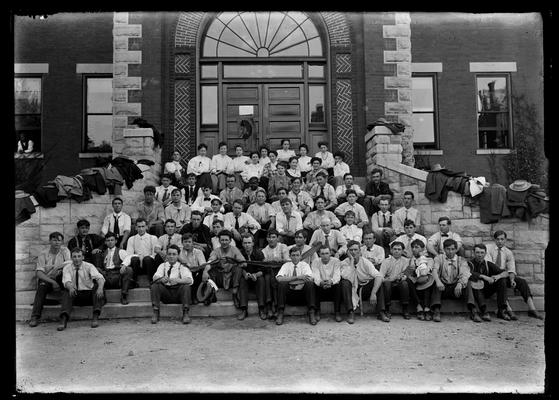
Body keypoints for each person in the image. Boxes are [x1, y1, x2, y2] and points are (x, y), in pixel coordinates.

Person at [485, 230, 542, 319]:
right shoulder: (488, 248)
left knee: (522, 282)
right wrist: (501, 275)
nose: (500, 241)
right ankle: (508, 309)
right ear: (494, 240)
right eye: (498, 239)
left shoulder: (508, 252)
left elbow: (511, 270)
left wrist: (511, 280)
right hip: (491, 277)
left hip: (502, 275)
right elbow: (490, 266)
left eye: (502, 239)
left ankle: (532, 309)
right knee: (502, 281)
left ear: (505, 240)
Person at [28, 232, 71, 327]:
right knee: (41, 287)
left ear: (62, 242)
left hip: (60, 278)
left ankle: (64, 317)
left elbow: (69, 264)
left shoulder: (65, 251)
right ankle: (35, 316)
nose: (57, 243)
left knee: (67, 282)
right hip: (48, 279)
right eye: (54, 240)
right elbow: (39, 273)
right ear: (50, 241)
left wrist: (57, 268)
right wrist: (52, 282)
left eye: (59, 240)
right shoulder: (43, 254)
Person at [57, 247, 105, 331]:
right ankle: (63, 320)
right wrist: (70, 287)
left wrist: (100, 288)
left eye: (79, 256)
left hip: (88, 295)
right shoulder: (67, 268)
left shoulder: (89, 266)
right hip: (75, 295)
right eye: (74, 257)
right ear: (71, 258)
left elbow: (99, 278)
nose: (77, 259)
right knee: (66, 291)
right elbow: (66, 281)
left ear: (83, 257)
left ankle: (95, 317)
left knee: (97, 287)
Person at [202, 230, 247, 319]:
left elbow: (244, 263)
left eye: (226, 240)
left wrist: (233, 261)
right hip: (221, 277)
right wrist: (205, 271)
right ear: (219, 241)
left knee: (238, 269)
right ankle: (212, 294)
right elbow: (210, 262)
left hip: (232, 278)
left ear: (230, 241)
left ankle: (234, 293)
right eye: (222, 240)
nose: (224, 242)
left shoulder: (234, 250)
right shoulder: (216, 251)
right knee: (211, 271)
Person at [340, 240, 383, 324]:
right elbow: (346, 277)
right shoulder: (344, 263)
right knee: (345, 283)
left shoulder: (365, 262)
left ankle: (381, 311)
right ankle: (350, 312)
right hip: (351, 289)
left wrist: (373, 293)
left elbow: (379, 276)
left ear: (360, 251)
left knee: (378, 282)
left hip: (364, 288)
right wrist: (352, 262)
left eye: (356, 250)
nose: (353, 252)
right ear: (348, 252)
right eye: (351, 250)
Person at [150, 244, 193, 324]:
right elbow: (154, 277)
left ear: (178, 256)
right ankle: (156, 312)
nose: (171, 256)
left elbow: (189, 280)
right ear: (167, 255)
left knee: (186, 287)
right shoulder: (163, 265)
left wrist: (178, 280)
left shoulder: (182, 267)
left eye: (174, 254)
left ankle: (185, 313)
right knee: (155, 285)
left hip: (178, 294)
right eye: (169, 254)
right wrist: (161, 279)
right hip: (166, 293)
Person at [466, 243, 510, 322]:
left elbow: (506, 273)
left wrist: (498, 276)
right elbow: (468, 273)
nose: (480, 255)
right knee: (476, 283)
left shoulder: (487, 264)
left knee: (502, 281)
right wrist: (484, 276)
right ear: (473, 253)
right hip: (475, 291)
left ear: (485, 253)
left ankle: (502, 311)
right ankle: (484, 311)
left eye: (482, 253)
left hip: (486, 290)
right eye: (477, 252)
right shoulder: (469, 264)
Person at [430, 239, 471, 322]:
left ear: (456, 250)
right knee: (435, 282)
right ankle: (436, 310)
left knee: (467, 283)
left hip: (456, 288)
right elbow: (434, 270)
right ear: (444, 249)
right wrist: (438, 281)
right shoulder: (439, 258)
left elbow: (465, 273)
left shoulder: (461, 260)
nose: (450, 251)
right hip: (443, 287)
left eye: (453, 249)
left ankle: (473, 309)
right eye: (448, 249)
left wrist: (460, 284)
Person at [275, 246, 317, 326]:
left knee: (310, 284)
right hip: (290, 296)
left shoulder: (305, 265)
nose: (295, 257)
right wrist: (298, 277)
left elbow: (309, 279)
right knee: (282, 284)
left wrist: (288, 279)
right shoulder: (286, 266)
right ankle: (280, 312)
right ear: (290, 256)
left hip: (302, 295)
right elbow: (279, 279)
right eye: (293, 255)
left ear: (300, 256)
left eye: (297, 255)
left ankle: (311, 312)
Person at [377, 241, 412, 322]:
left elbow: (406, 274)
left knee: (404, 283)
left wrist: (402, 277)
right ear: (391, 250)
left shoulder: (406, 261)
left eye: (399, 249)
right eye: (395, 249)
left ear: (403, 251)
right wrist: (392, 278)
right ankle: (387, 308)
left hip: (400, 285)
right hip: (389, 286)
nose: (396, 251)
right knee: (387, 283)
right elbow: (380, 277)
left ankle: (405, 308)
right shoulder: (386, 261)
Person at [238, 233, 271, 320]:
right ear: (242, 244)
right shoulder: (240, 253)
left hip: (256, 276)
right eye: (245, 243)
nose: (247, 245)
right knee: (242, 280)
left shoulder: (259, 253)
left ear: (253, 243)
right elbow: (237, 266)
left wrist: (256, 275)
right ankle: (244, 309)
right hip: (246, 276)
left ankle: (261, 308)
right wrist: (244, 273)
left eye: (249, 243)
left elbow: (264, 269)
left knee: (261, 280)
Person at [96, 232, 133, 305]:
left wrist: (124, 265)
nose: (110, 242)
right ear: (105, 242)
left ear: (116, 241)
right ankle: (102, 297)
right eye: (108, 240)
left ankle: (124, 295)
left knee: (128, 269)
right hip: (106, 276)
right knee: (96, 270)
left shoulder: (120, 251)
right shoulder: (103, 252)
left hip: (117, 276)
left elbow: (129, 257)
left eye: (112, 240)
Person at [311, 246, 342, 322]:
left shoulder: (336, 261)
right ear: (319, 254)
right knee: (313, 285)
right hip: (321, 287)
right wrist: (321, 283)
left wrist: (331, 282)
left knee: (338, 285)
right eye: (322, 254)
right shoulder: (316, 261)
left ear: (330, 253)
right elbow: (315, 275)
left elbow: (337, 275)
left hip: (332, 286)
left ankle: (337, 312)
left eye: (327, 253)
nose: (325, 256)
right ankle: (317, 311)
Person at [126, 218, 160, 283]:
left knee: (147, 259)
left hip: (148, 264)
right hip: (137, 265)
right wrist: (139, 257)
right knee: (134, 259)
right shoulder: (131, 239)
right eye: (139, 227)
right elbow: (129, 255)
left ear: (146, 227)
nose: (141, 229)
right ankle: (133, 281)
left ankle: (151, 280)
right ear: (136, 228)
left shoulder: (153, 238)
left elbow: (154, 255)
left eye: (143, 226)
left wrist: (144, 258)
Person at [408, 239, 435, 321]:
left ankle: (427, 308)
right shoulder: (410, 260)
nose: (414, 249)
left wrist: (424, 269)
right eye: (412, 247)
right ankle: (418, 306)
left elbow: (428, 269)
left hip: (425, 279)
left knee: (428, 280)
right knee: (408, 282)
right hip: (415, 281)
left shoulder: (429, 259)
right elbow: (409, 274)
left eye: (416, 247)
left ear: (423, 249)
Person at [178, 233, 207, 305]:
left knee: (200, 273)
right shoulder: (179, 253)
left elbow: (203, 265)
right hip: (184, 273)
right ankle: (189, 297)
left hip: (196, 272)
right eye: (185, 242)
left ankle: (195, 297)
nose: (187, 244)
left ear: (192, 243)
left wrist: (193, 268)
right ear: (182, 243)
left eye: (189, 242)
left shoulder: (198, 252)